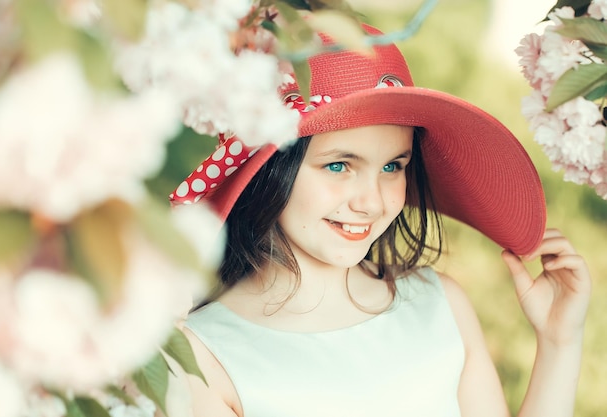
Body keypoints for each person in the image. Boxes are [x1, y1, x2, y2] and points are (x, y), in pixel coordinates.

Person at [169, 24, 591, 417]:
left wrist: (559, 342)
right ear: (267, 170)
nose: (371, 202)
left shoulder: (440, 304)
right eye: (339, 166)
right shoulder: (200, 357)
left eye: (393, 167)